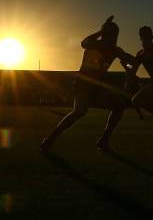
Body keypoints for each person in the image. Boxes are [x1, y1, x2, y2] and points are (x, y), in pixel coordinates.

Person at [41, 16, 133, 152]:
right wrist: (101, 31)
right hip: (83, 84)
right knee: (79, 112)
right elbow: (84, 43)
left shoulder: (115, 50)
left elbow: (128, 59)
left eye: (115, 34)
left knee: (118, 106)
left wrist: (139, 58)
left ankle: (103, 141)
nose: (113, 37)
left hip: (97, 87)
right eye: (111, 34)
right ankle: (50, 139)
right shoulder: (94, 44)